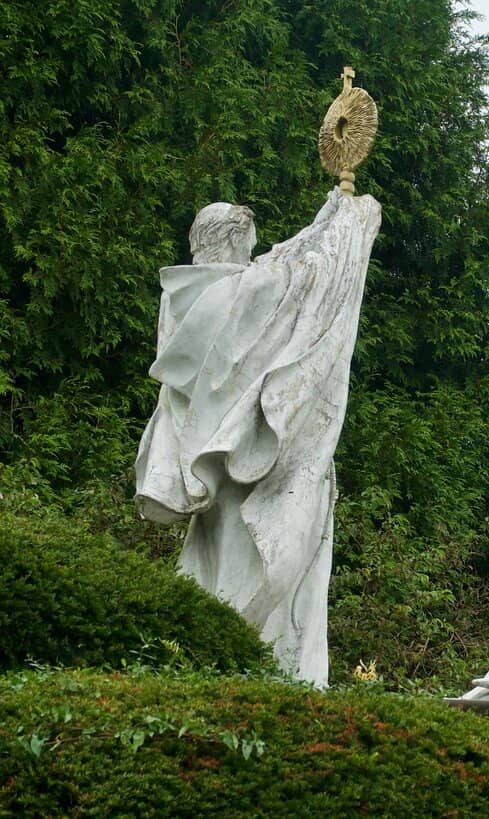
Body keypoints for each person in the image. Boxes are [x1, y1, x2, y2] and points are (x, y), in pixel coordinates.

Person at [136, 190, 381, 685]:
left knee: (214, 565)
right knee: (258, 569)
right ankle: (260, 674)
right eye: (249, 245)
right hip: (253, 470)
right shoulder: (244, 292)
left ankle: (209, 665)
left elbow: (284, 260)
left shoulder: (181, 299)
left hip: (212, 470)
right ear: (234, 241)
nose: (255, 254)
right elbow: (311, 274)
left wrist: (328, 213)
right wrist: (352, 216)